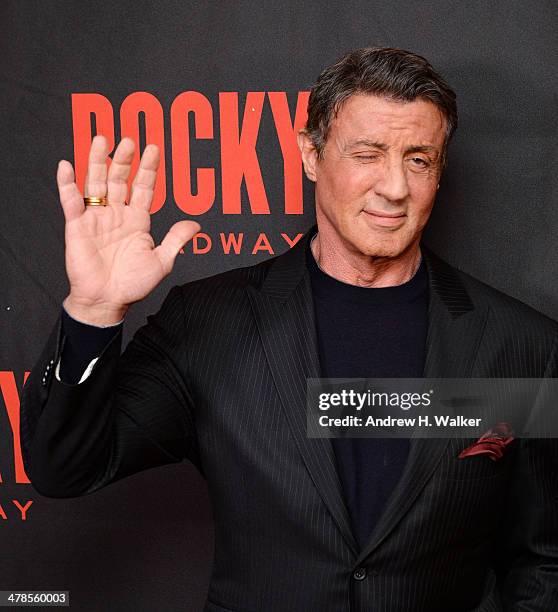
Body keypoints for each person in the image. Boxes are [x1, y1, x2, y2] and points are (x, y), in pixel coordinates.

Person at [20, 47, 558, 611]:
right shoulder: (208, 323)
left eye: (419, 159)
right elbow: (65, 468)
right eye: (367, 154)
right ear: (310, 154)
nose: (395, 187)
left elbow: (545, 559)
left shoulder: (520, 347)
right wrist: (94, 311)